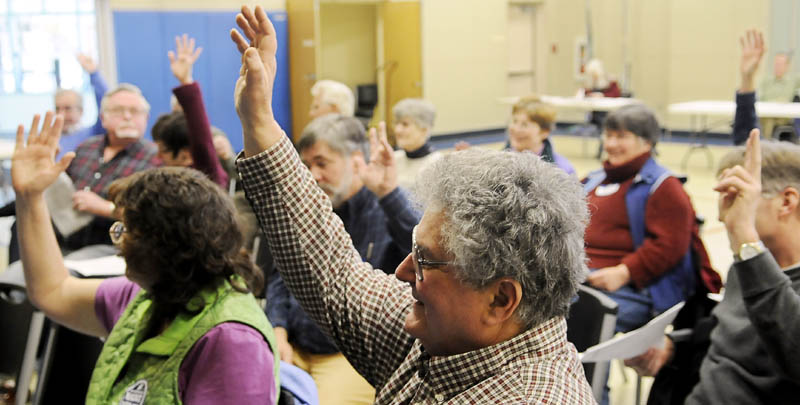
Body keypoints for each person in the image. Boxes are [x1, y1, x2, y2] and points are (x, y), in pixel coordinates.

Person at [230, 6, 595, 403]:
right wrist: (259, 122)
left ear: (501, 299)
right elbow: (335, 275)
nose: (403, 271)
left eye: (425, 259)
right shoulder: (449, 334)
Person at [11, 112, 279, 404]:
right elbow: (53, 292)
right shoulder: (146, 296)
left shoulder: (232, 341)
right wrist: (30, 198)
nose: (120, 243)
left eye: (127, 231)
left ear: (164, 245)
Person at [267, 114, 419, 405]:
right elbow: (280, 275)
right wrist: (277, 328)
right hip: (294, 346)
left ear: (356, 162)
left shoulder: (386, 207)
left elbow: (426, 253)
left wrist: (389, 193)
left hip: (351, 356)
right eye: (307, 165)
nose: (312, 175)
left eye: (322, 163)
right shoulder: (314, 207)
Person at [64, 83, 162, 250]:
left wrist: (106, 208)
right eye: (118, 111)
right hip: (67, 232)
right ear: (103, 118)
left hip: (115, 245)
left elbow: (157, 218)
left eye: (135, 111)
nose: (127, 117)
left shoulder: (157, 159)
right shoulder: (86, 148)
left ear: (146, 118)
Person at [151, 34, 228, 187]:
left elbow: (201, 140)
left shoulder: (206, 178)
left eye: (163, 151)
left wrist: (186, 81)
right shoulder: (166, 178)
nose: (157, 156)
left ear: (186, 155)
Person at [54, 54, 109, 160]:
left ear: (81, 111)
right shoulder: (49, 139)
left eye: (67, 108)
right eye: (57, 109)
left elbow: (106, 105)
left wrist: (94, 74)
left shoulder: (92, 134)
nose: (61, 115)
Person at [508, 95, 576, 175]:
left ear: (544, 132)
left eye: (524, 125)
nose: (516, 129)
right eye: (515, 121)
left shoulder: (562, 170)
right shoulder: (497, 163)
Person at [391, 98, 442, 189]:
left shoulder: (436, 164)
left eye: (405, 124)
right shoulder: (393, 158)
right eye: (396, 123)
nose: (397, 130)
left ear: (424, 129)